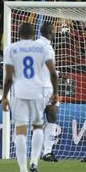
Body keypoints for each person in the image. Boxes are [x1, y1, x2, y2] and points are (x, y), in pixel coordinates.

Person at [1, 22, 58, 172]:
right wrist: (55, 92)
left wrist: (5, 96)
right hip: (38, 92)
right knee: (38, 126)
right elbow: (53, 73)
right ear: (34, 34)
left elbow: (9, 78)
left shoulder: (11, 49)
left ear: (18, 34)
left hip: (19, 92)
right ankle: (34, 161)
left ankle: (23, 170)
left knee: (20, 130)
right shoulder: (42, 48)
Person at [35, 22, 59, 162]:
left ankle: (38, 152)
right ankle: (47, 152)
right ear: (50, 33)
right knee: (52, 117)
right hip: (48, 88)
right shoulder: (47, 48)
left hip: (35, 88)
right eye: (54, 31)